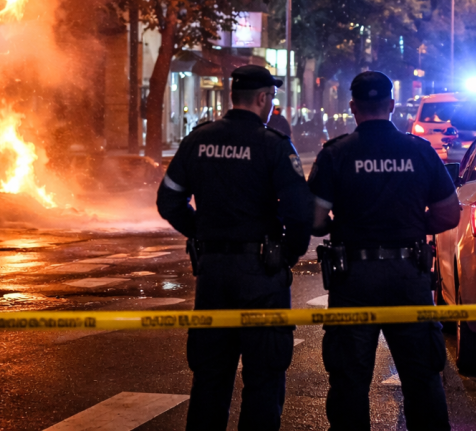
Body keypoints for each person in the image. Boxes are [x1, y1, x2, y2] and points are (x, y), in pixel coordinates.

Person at [157, 64, 314, 431]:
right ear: (262, 99)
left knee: (210, 376)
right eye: (271, 99)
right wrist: (286, 254)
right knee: (264, 374)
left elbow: (169, 201)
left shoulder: (199, 140)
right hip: (262, 274)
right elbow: (300, 213)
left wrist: (201, 232)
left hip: (213, 274)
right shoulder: (272, 145)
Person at [309, 71, 460, 430]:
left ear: (352, 108)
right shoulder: (419, 150)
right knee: (422, 377)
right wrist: (410, 227)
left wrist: (339, 226)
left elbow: (314, 219)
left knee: (349, 380)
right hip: (408, 277)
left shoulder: (336, 154)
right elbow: (449, 212)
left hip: (354, 279)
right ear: (391, 106)